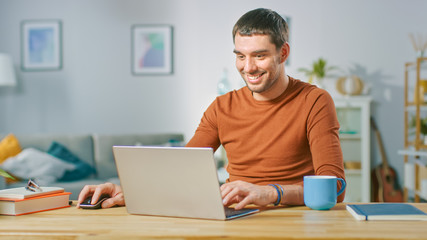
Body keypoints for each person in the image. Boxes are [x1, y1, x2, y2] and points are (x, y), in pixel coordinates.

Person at [77, 8, 345, 210]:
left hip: (291, 216)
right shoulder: (222, 106)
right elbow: (182, 169)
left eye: (259, 56)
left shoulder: (315, 101)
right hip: (234, 215)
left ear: (283, 53)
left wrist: (270, 193)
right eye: (240, 56)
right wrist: (129, 190)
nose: (248, 67)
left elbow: (335, 187)